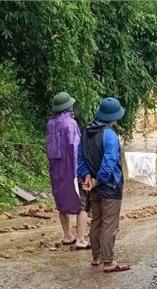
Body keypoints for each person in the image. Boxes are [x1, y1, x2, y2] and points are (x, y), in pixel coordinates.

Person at [77, 97, 130, 273]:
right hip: (109, 186)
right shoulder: (110, 136)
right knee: (109, 224)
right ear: (114, 117)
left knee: (97, 221)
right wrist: (99, 179)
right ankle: (108, 262)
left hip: (92, 185)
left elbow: (80, 158)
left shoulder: (86, 132)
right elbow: (109, 162)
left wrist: (87, 177)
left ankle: (96, 257)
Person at [46, 92, 89, 249]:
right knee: (81, 203)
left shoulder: (51, 123)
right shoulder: (70, 123)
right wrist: (82, 171)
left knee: (61, 201)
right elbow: (75, 147)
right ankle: (80, 239)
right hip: (71, 167)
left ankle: (67, 236)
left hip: (56, 169)